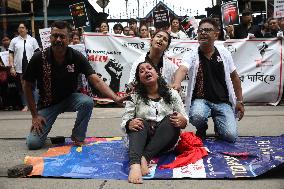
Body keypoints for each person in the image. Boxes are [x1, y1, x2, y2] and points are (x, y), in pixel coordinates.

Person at [23, 21, 125, 150]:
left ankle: (77, 136)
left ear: (69, 39)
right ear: (50, 38)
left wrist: (116, 98)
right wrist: (34, 116)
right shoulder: (38, 58)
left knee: (87, 102)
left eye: (62, 36)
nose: (58, 40)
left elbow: (96, 80)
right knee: (33, 144)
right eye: (55, 36)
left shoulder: (76, 56)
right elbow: (26, 85)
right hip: (47, 104)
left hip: (69, 99)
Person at [172, 18, 245, 142]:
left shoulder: (224, 53)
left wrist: (240, 101)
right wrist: (177, 83)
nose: (203, 33)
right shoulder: (192, 54)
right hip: (201, 100)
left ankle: (218, 123)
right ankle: (202, 128)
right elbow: (182, 69)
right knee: (197, 116)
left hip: (222, 101)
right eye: (200, 30)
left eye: (207, 30)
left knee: (230, 136)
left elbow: (235, 77)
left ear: (216, 34)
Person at [121, 61, 188, 184]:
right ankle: (135, 164)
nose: (146, 71)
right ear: (140, 79)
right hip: (141, 141)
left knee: (170, 119)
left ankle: (145, 158)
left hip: (164, 142)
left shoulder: (172, 93)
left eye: (149, 68)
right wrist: (129, 123)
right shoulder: (134, 96)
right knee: (137, 122)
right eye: (141, 71)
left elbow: (184, 119)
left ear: (157, 73)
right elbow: (125, 121)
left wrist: (182, 120)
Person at [9, 22, 40, 111]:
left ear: (27, 29)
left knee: (34, 86)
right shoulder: (14, 40)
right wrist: (12, 67)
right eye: (19, 28)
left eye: (22, 27)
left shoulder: (32, 40)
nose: (20, 29)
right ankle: (26, 105)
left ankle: (36, 105)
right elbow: (11, 54)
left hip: (32, 66)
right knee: (23, 87)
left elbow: (37, 53)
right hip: (20, 66)